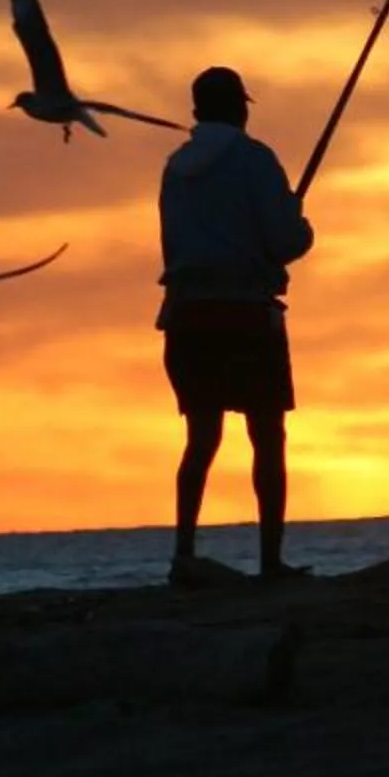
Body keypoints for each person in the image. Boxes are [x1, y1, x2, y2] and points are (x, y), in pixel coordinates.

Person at [158, 67, 315, 585]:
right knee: (267, 435)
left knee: (201, 438)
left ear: (197, 110)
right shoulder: (256, 160)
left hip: (187, 317)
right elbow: (286, 241)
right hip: (246, 316)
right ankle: (271, 562)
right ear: (240, 108)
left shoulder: (174, 169)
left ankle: (183, 554)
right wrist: (299, 222)